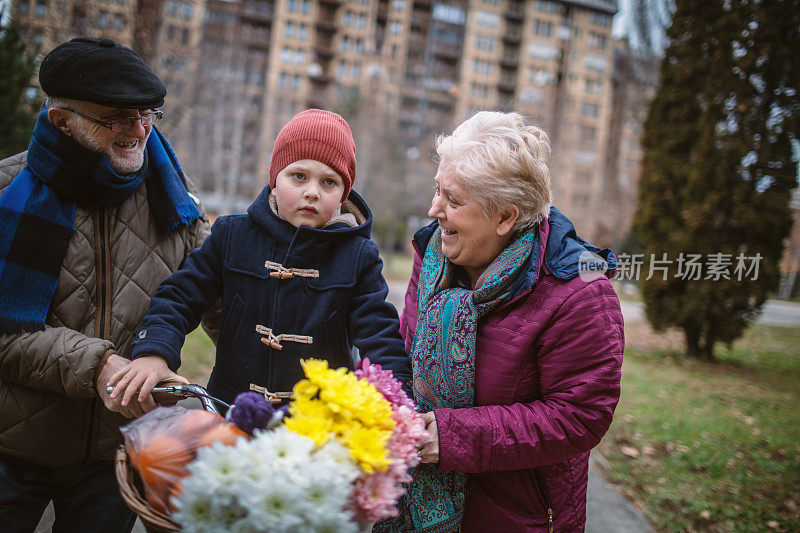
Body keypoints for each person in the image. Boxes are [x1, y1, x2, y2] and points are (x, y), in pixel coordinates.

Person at [0, 37, 209, 532]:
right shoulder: (7, 192)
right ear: (62, 121)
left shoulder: (173, 198)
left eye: (147, 114)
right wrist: (100, 365)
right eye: (116, 117)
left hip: (113, 460)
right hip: (8, 451)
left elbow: (224, 293)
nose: (138, 131)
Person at [388, 111, 624, 532]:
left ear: (505, 217)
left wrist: (452, 437)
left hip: (516, 516)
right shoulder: (432, 259)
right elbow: (406, 357)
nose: (434, 209)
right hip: (410, 501)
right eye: (437, 190)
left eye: (454, 200)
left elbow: (580, 415)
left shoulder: (582, 290)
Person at [108, 108, 412, 411]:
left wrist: (398, 401)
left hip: (320, 428)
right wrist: (154, 352)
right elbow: (178, 296)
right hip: (231, 411)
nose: (312, 192)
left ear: (344, 194)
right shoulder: (232, 236)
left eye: (329, 182)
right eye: (299, 176)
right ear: (274, 180)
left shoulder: (359, 257)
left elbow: (380, 336)